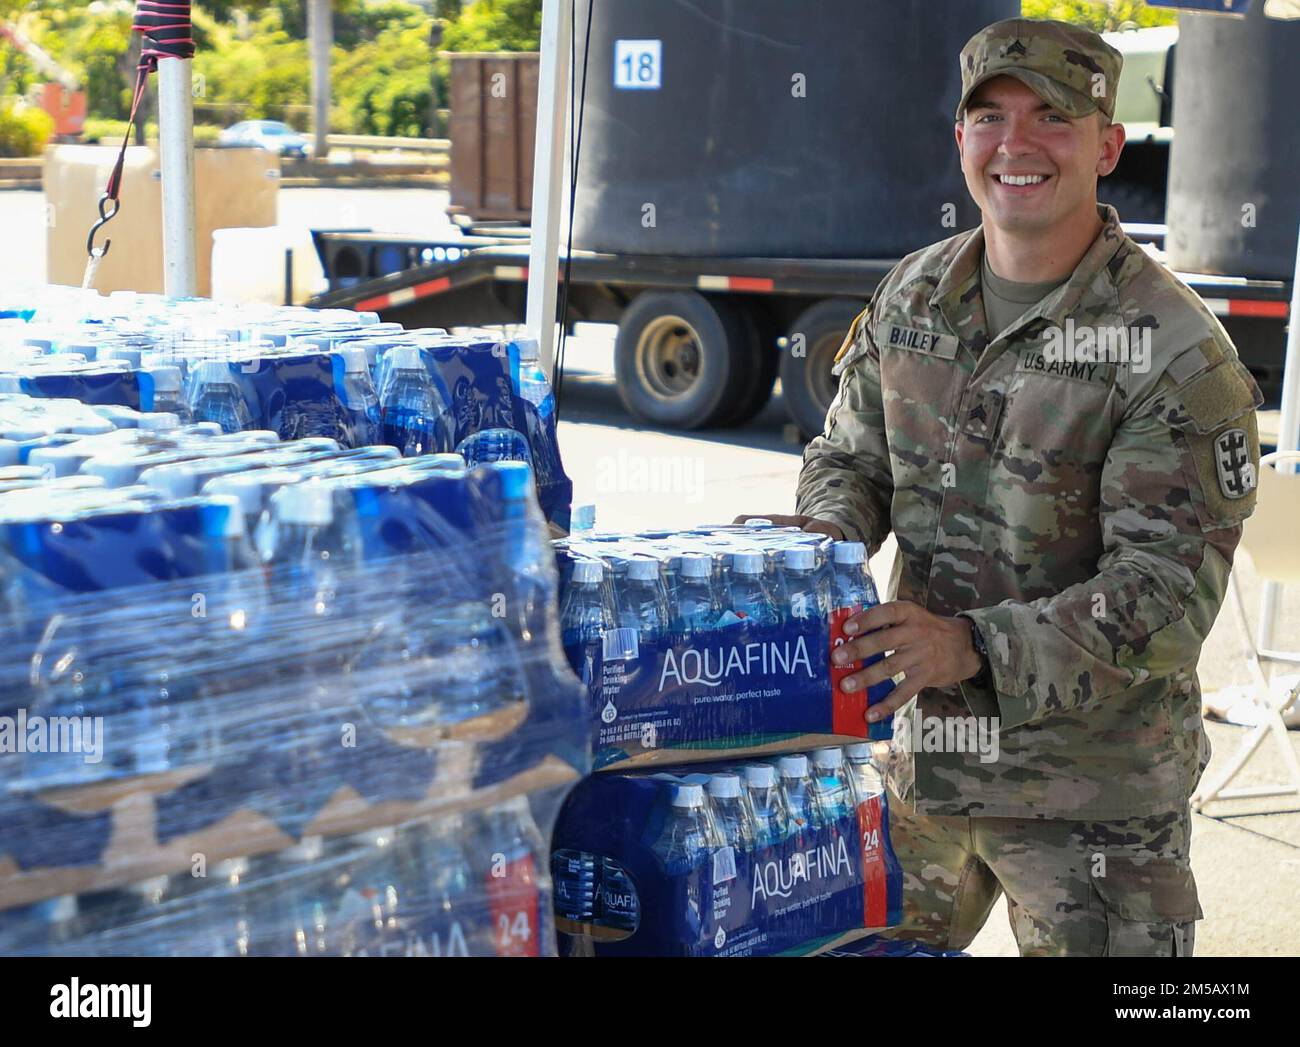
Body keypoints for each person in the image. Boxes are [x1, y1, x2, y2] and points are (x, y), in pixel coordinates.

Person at [739, 17, 1262, 956]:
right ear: (960, 140)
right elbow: (853, 459)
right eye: (989, 118)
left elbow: (1165, 596)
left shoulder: (1174, 352)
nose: (1015, 146)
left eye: (1051, 118)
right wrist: (817, 543)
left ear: (1108, 144)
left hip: (1092, 809)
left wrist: (970, 647)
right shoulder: (914, 295)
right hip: (923, 773)